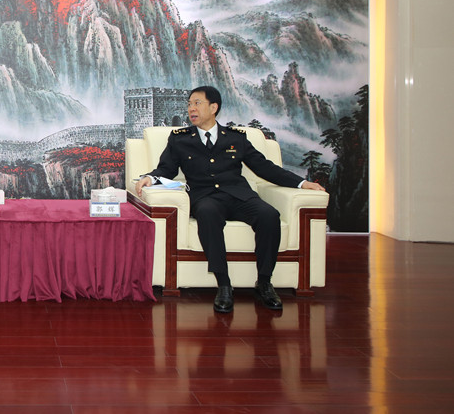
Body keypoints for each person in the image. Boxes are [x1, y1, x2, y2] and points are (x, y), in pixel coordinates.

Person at [135, 86, 326, 313]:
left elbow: (264, 167)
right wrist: (150, 178)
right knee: (207, 214)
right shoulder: (180, 139)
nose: (191, 109)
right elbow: (166, 169)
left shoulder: (236, 138)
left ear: (213, 107)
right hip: (205, 197)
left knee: (269, 215)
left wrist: (302, 183)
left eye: (197, 103)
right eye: (189, 104)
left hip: (239, 195)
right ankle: (224, 284)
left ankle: (265, 282)